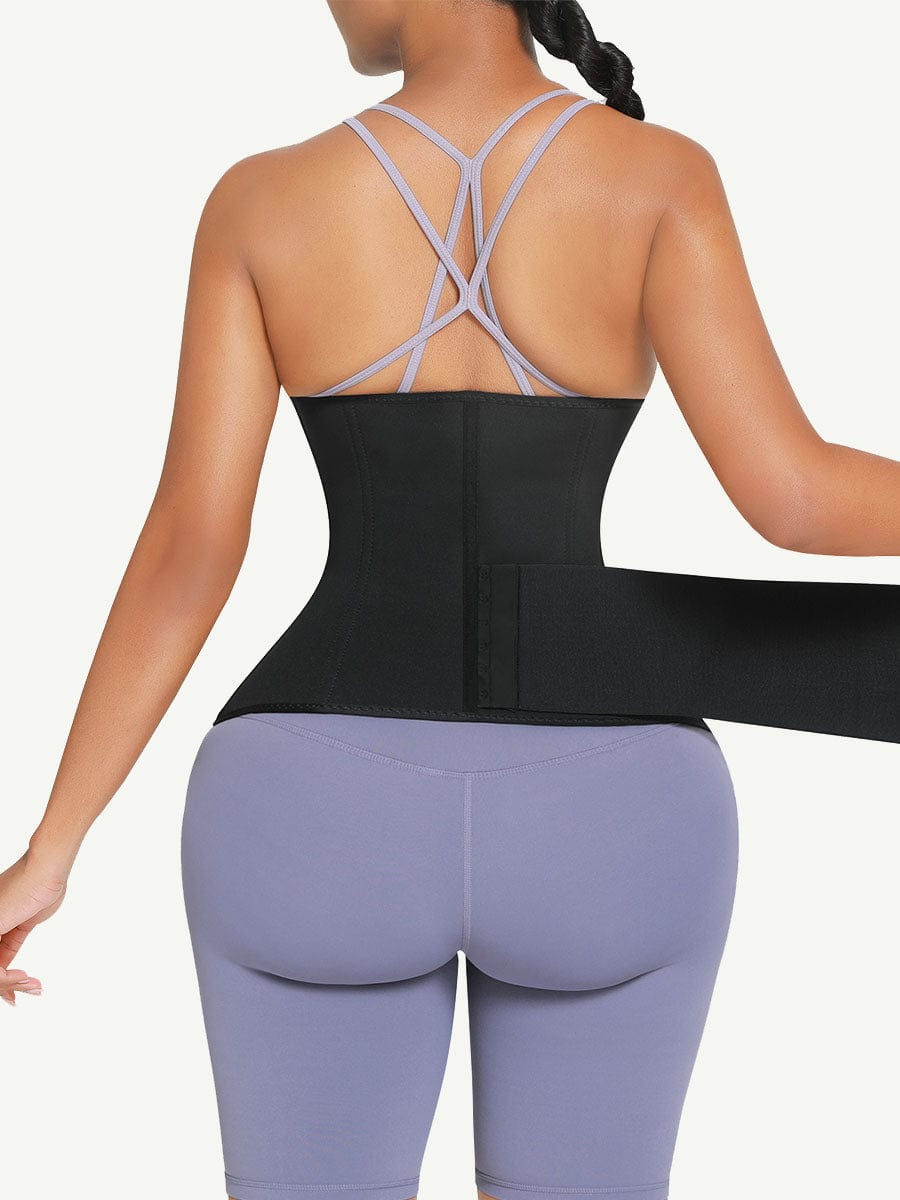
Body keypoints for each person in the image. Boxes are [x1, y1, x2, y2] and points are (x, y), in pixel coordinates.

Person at [2, 2, 898, 1200]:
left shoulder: (262, 203)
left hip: (307, 813)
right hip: (617, 815)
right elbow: (794, 497)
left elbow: (192, 546)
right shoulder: (659, 177)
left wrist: (52, 848)